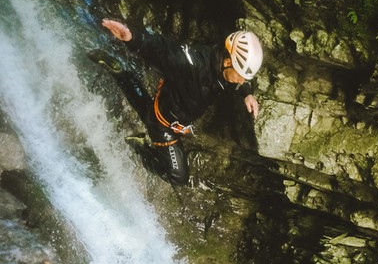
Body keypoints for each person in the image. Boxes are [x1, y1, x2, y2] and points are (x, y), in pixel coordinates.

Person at [99, 18, 263, 186]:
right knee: (178, 177)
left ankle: (122, 75)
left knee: (149, 112)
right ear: (228, 62)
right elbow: (163, 49)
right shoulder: (194, 64)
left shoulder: (223, 63)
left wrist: (247, 94)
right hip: (164, 123)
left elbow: (241, 78)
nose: (241, 81)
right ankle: (140, 146)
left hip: (168, 106)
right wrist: (132, 38)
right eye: (241, 76)